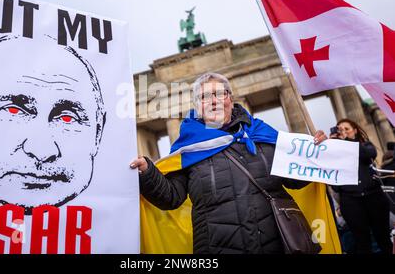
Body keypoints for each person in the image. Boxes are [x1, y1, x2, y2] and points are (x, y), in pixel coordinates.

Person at [130, 72, 327, 254]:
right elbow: (171, 197)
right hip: (218, 248)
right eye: (205, 97)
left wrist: (313, 153)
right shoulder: (188, 148)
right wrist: (148, 173)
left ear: (230, 100)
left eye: (219, 94)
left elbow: (295, 181)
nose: (213, 101)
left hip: (277, 242)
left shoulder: (262, 134)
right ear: (197, 106)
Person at [0, 34, 106, 213]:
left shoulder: (136, 200)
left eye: (67, 118)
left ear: (98, 132)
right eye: (14, 110)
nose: (42, 152)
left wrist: (144, 178)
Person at [330, 119, 392, 254]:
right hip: (352, 202)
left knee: (384, 240)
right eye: (340, 130)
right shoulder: (336, 153)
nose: (343, 132)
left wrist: (349, 143)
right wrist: (332, 145)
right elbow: (334, 186)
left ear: (355, 131)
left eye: (346, 129)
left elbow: (370, 154)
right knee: (362, 244)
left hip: (374, 197)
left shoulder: (365, 145)